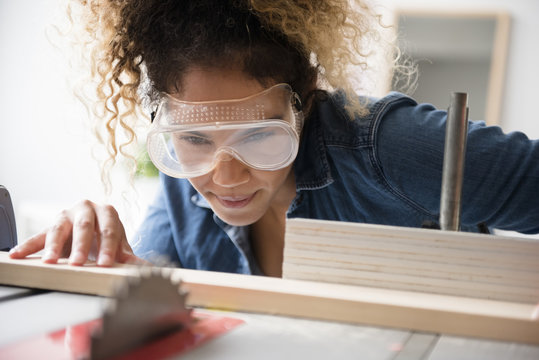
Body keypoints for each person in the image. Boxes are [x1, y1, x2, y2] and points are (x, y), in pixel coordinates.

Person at [9, 0, 539, 277]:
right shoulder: (183, 190)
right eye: (194, 139)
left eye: (259, 136)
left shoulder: (387, 148)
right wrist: (99, 258)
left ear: (304, 103)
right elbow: (161, 292)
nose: (224, 177)